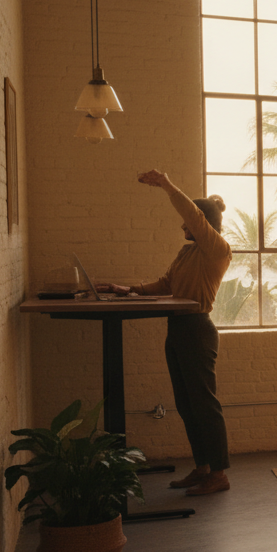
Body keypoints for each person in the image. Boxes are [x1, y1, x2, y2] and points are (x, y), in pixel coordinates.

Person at [96, 170, 233, 496]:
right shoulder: (188, 253)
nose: (183, 226)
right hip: (178, 327)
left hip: (197, 329)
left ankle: (219, 474)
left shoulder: (217, 249)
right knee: (186, 404)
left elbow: (193, 215)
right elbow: (166, 284)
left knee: (204, 405)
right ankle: (202, 468)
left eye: (188, 223)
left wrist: (167, 185)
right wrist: (127, 289)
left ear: (202, 224)